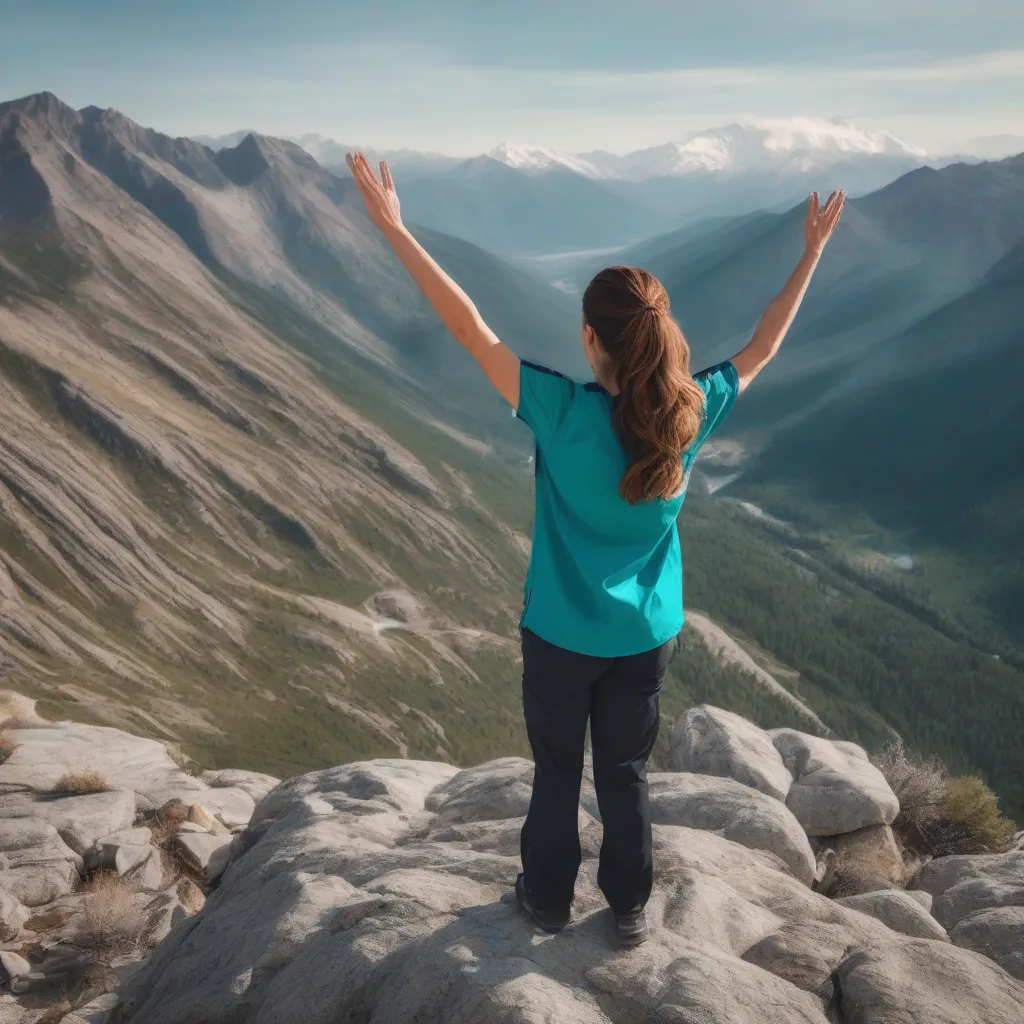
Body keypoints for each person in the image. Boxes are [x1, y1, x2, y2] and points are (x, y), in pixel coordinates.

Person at [346, 151, 845, 946]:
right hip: (644, 637)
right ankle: (631, 909)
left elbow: (469, 326)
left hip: (557, 634)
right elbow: (764, 347)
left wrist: (395, 231)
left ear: (590, 337)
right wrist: (812, 252)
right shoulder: (691, 414)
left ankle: (545, 899)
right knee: (624, 775)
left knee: (556, 773)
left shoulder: (559, 410)